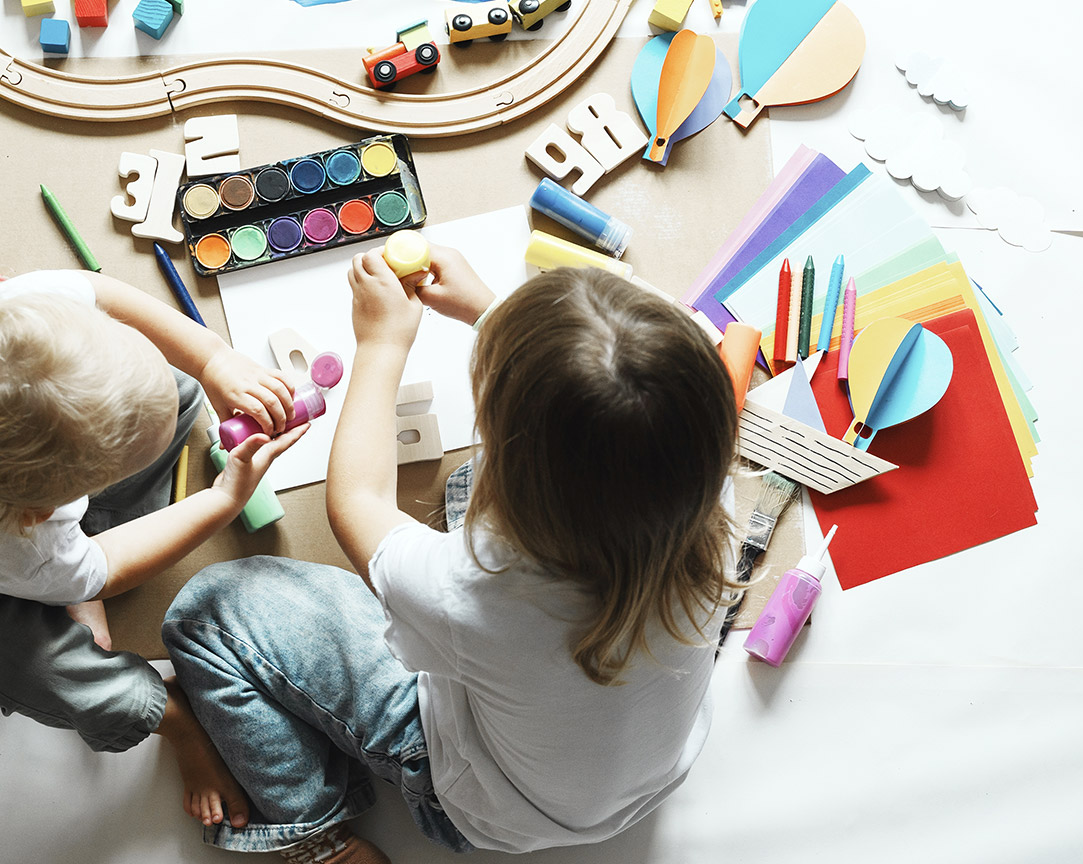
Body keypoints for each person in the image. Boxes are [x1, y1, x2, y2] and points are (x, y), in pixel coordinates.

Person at [163, 248, 739, 863]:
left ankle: (315, 835)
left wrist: (381, 343)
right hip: (637, 785)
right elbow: (600, 419)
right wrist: (491, 313)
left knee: (208, 614)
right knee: (481, 477)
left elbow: (356, 501)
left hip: (477, 807)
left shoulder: (472, 593)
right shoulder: (710, 502)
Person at [0, 270, 307, 826]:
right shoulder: (11, 541)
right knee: (26, 667)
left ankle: (70, 565)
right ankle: (173, 717)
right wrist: (224, 500)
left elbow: (99, 290)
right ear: (43, 509)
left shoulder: (10, 325)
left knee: (177, 395)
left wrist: (211, 360)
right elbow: (105, 570)